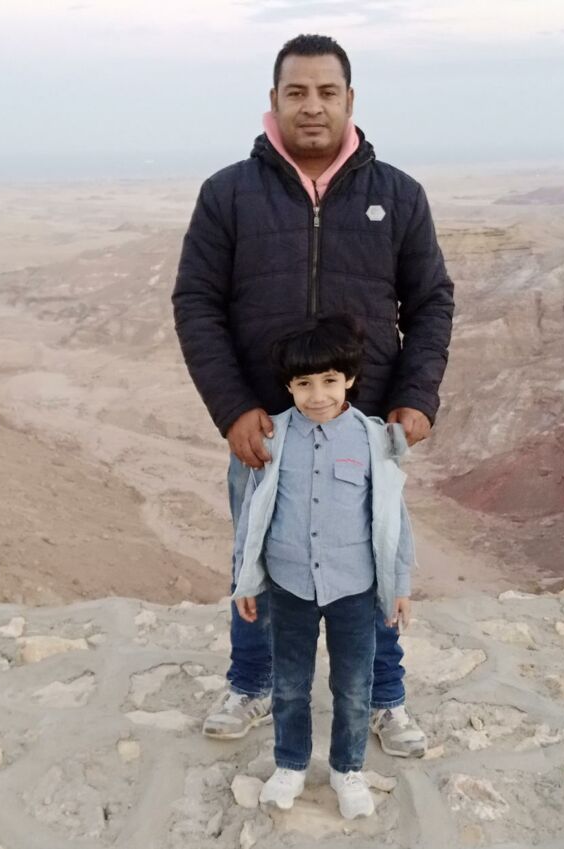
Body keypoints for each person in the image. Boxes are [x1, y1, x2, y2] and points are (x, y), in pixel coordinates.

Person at [172, 33, 454, 757]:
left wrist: (416, 395)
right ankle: (252, 681)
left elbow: (431, 301)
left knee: (376, 552)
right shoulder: (229, 194)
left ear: (349, 100)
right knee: (259, 551)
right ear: (273, 100)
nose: (312, 106)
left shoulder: (398, 195)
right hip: (266, 430)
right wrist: (233, 408)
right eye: (296, 92)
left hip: (367, 427)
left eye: (327, 92)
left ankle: (384, 695)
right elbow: (197, 303)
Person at [231, 315, 414, 818]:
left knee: (353, 688)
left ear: (350, 378)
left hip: (354, 588)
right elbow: (253, 515)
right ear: (288, 385)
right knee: (290, 685)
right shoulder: (274, 437)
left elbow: (393, 517)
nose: (317, 396)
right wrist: (246, 580)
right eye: (304, 384)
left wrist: (399, 584)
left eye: (330, 380)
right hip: (290, 586)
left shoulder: (375, 440)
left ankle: (347, 770)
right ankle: (290, 765)